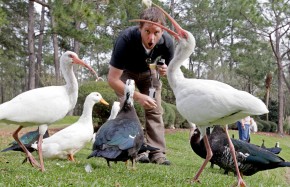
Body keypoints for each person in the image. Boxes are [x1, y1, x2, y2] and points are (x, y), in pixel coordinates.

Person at [107, 7, 174, 165]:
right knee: (127, 107)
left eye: (156, 32)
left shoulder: (168, 43)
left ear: (163, 31)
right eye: (147, 31)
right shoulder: (126, 39)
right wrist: (137, 96)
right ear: (140, 28)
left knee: (154, 107)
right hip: (126, 75)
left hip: (149, 73)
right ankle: (135, 151)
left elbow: (168, 67)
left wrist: (165, 69)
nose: (151, 38)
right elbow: (112, 79)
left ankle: (156, 152)